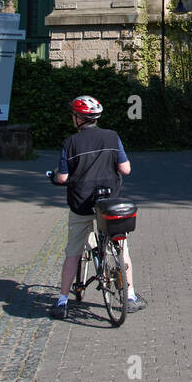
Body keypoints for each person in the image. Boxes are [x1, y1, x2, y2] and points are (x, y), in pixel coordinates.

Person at [47, 95, 142, 318]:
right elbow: (126, 169)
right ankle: (129, 296)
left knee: (73, 252)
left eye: (73, 115)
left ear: (79, 118)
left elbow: (63, 178)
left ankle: (62, 302)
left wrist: (53, 176)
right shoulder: (112, 137)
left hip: (81, 204)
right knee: (122, 248)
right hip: (110, 203)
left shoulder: (70, 143)